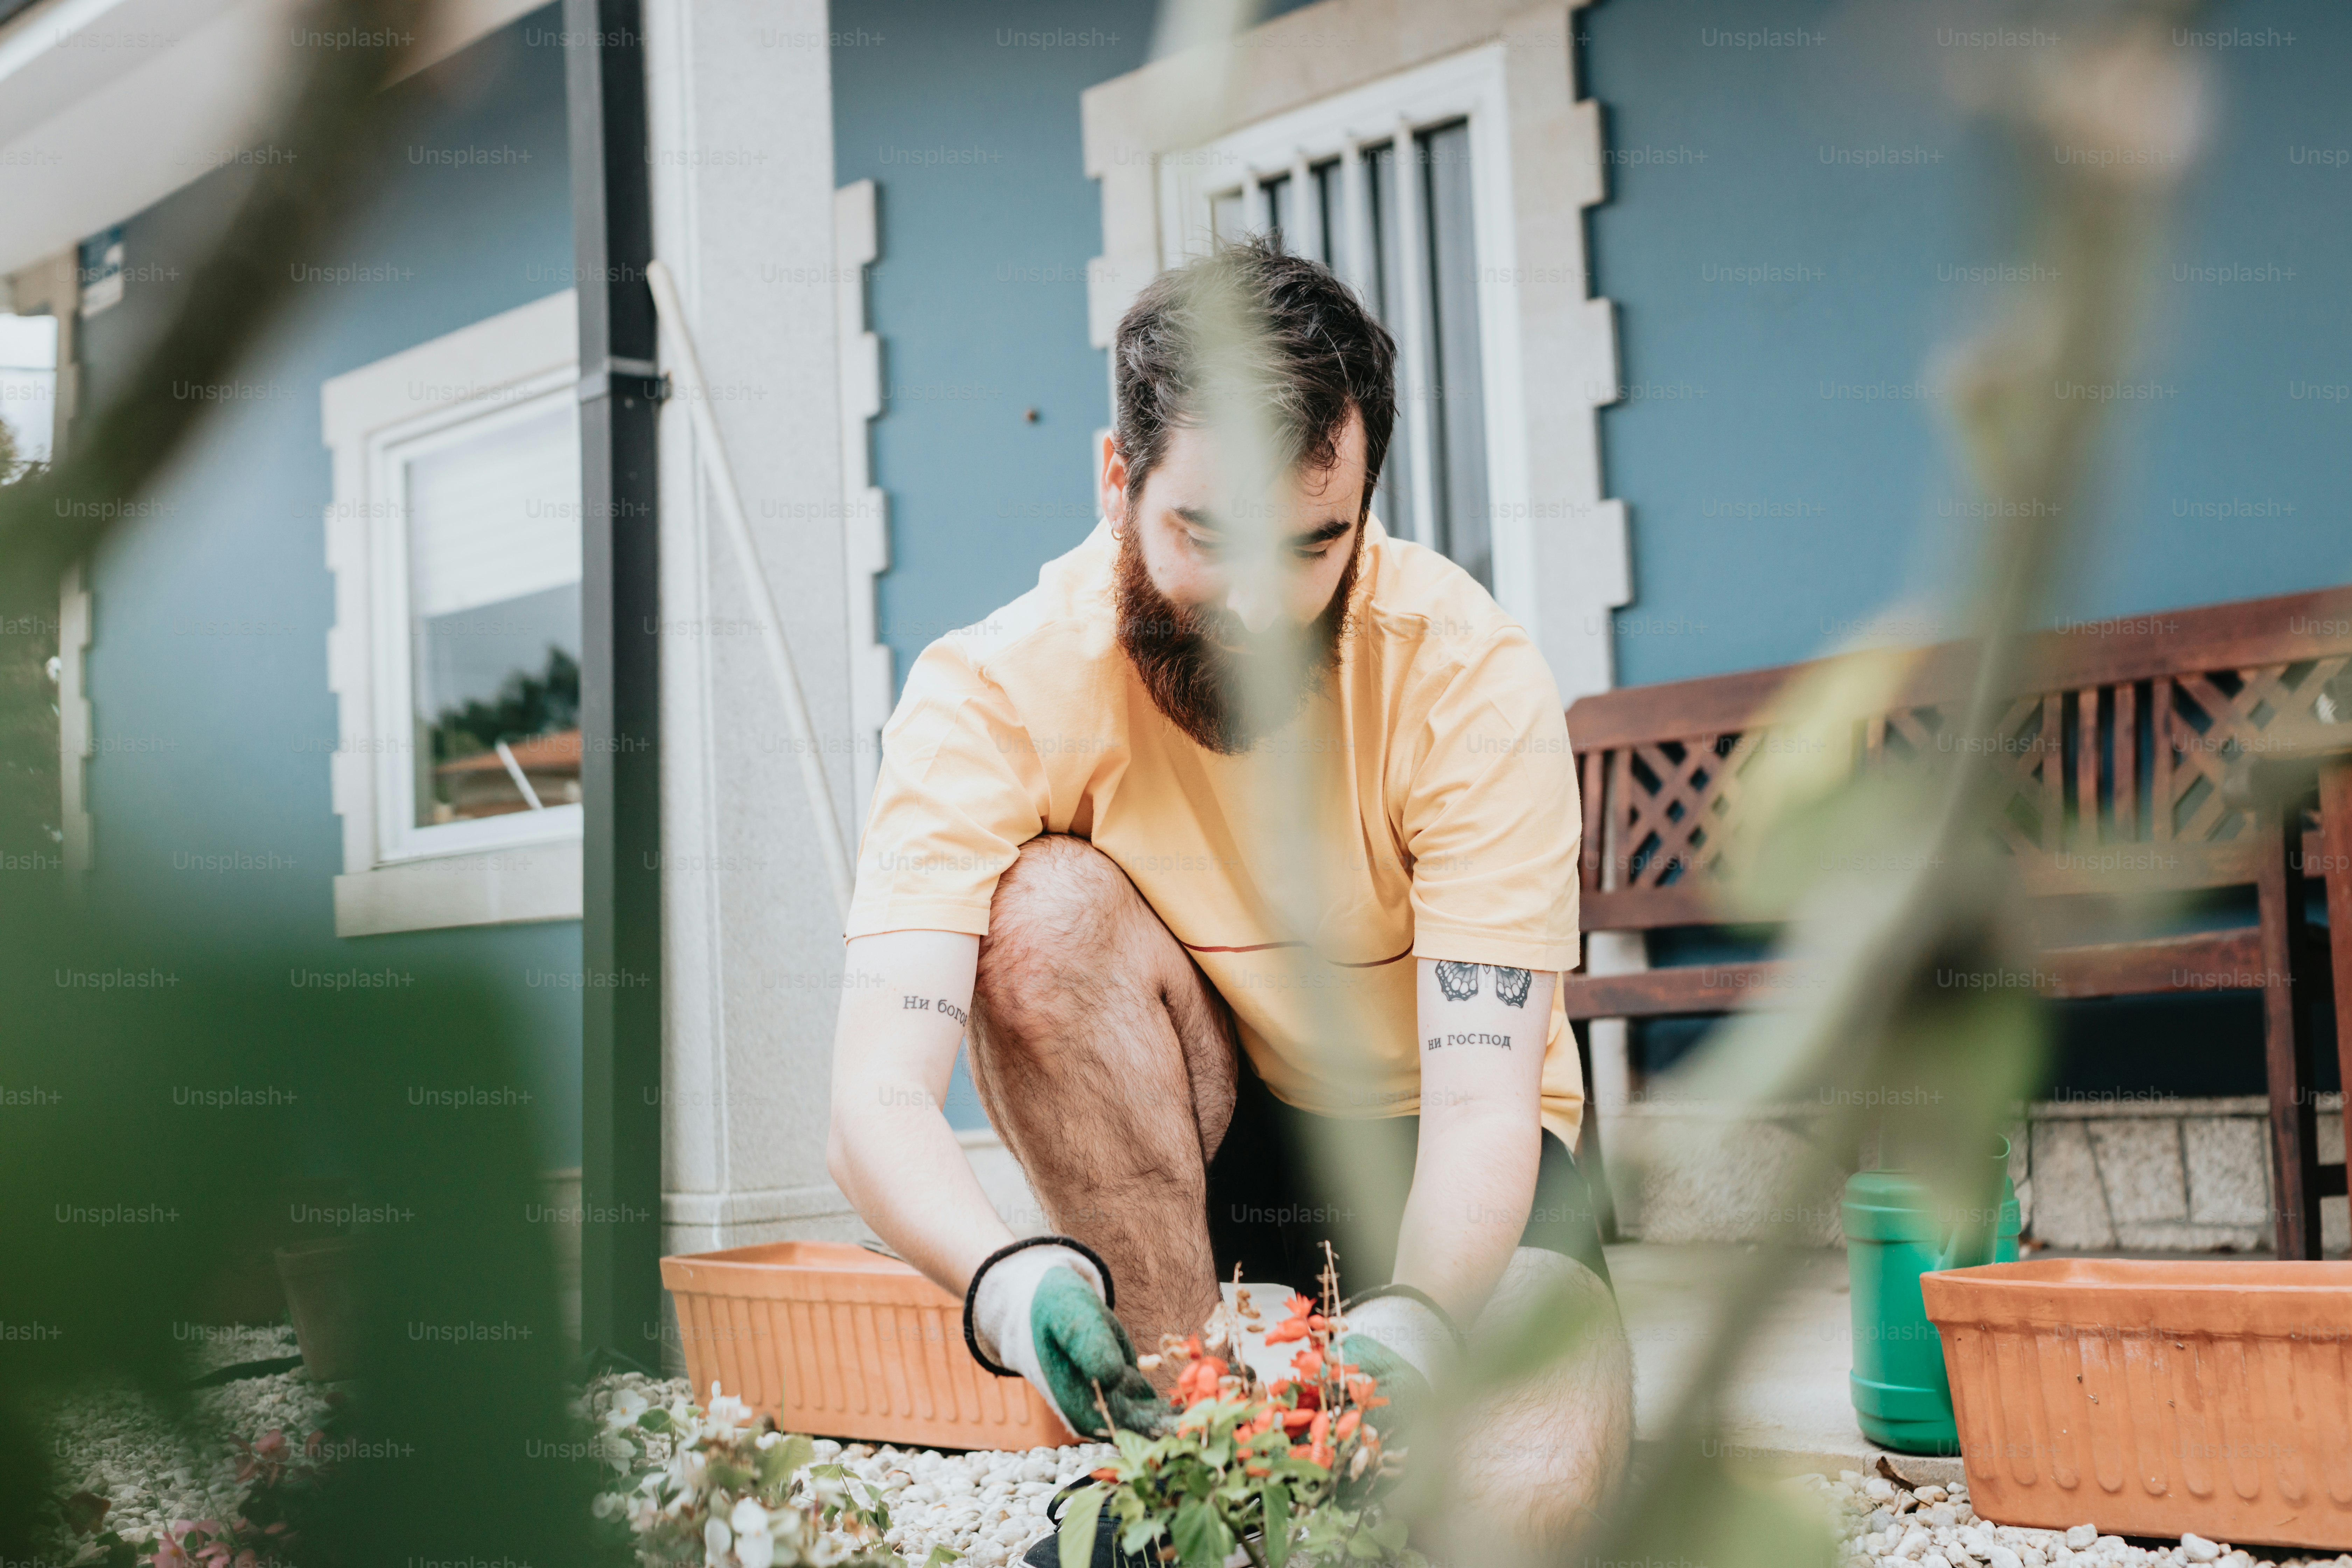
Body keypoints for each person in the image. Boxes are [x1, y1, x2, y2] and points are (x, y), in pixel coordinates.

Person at [826, 238, 1631, 1561]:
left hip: (1453, 1149)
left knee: (1524, 1509)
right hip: (1215, 1138)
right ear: (1114, 480)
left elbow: (1491, 1105)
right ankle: (1185, 1440)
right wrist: (1010, 1283)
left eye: (1314, 546)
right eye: (1208, 536)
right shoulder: (990, 691)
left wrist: (1420, 1320)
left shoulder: (1467, 677)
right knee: (1039, 913)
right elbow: (874, 1096)